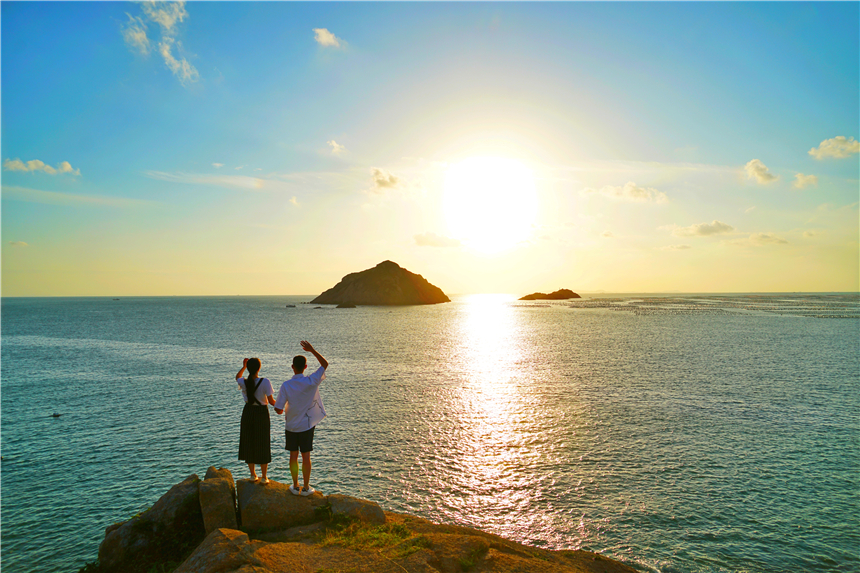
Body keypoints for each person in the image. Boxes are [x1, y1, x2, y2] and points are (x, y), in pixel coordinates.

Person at [274, 341, 328, 496]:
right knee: (306, 456)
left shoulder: (286, 385)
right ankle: (306, 487)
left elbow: (278, 408)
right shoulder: (311, 381)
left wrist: (279, 409)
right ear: (305, 367)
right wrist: (312, 350)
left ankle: (295, 485)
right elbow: (325, 364)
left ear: (292, 367)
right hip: (306, 426)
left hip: (291, 426)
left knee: (293, 456)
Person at [236, 357, 276, 484]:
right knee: (263, 442)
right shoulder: (265, 382)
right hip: (261, 413)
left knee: (249, 441)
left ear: (248, 368)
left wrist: (243, 366)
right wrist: (284, 406)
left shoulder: (243, 382)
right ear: (259, 368)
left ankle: (253, 475)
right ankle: (264, 477)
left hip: (248, 412)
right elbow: (271, 401)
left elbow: (237, 376)